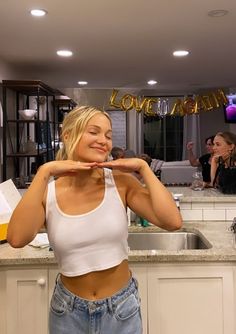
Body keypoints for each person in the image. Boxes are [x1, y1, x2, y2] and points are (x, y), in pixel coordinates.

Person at [7, 106, 182, 334]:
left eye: (108, 136)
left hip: (121, 309)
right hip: (67, 312)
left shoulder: (121, 183)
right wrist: (44, 172)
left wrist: (143, 168)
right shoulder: (47, 191)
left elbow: (172, 222)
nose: (104, 141)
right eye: (94, 132)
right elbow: (17, 238)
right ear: (68, 135)